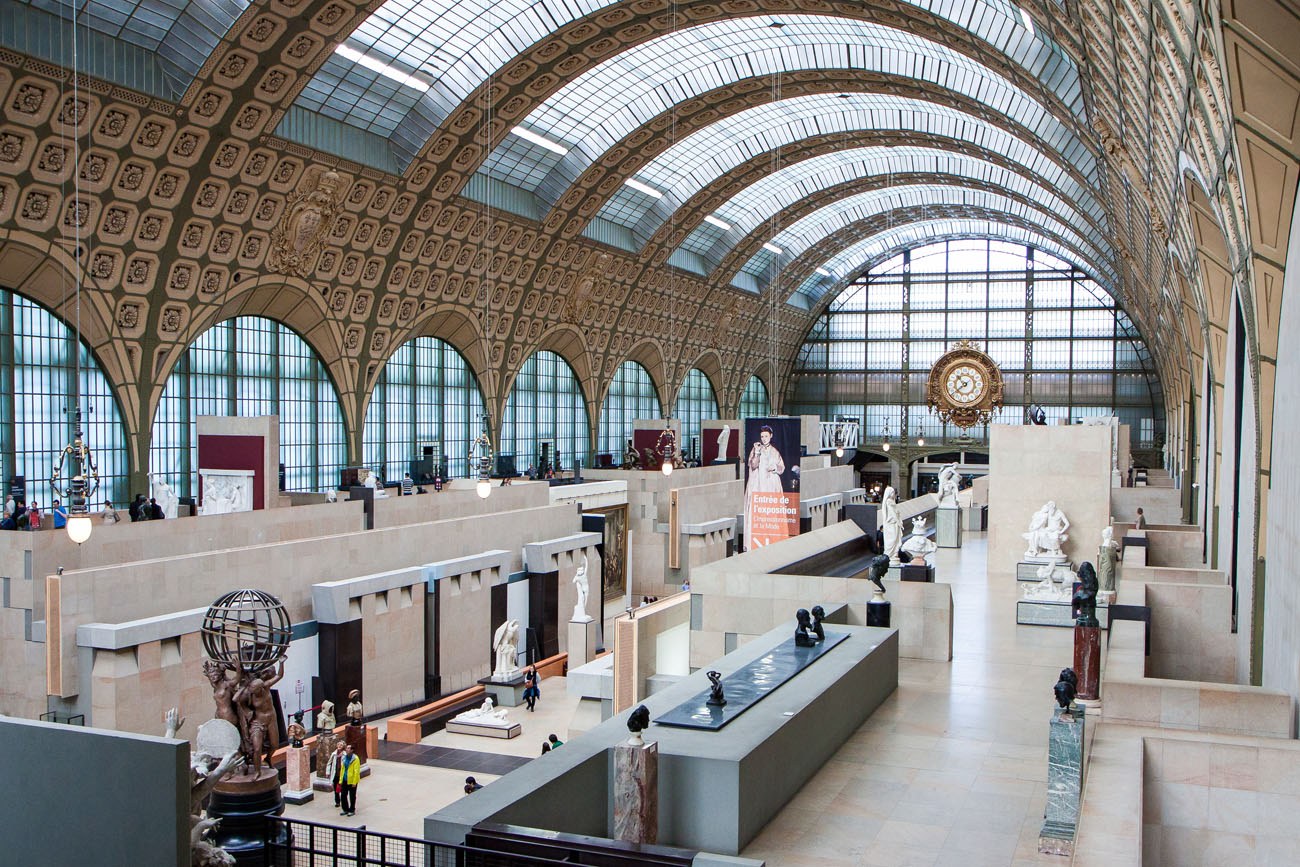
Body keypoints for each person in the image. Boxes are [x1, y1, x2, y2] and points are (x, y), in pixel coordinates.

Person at [743, 424, 786, 551]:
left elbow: (781, 467)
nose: (764, 439)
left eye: (766, 436)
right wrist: (757, 453)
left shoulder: (775, 452)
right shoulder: (756, 449)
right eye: (762, 436)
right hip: (758, 485)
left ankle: (772, 540)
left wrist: (775, 468)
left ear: (771, 436)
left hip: (771, 486)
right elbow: (753, 465)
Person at [338, 743, 360, 816]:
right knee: (343, 795)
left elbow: (356, 771)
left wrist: (354, 782)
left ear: (352, 750)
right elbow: (342, 769)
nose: (346, 749)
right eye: (346, 748)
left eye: (348, 748)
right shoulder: (344, 757)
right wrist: (340, 780)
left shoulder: (355, 759)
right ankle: (345, 809)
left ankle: (352, 809)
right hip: (344, 779)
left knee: (352, 796)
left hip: (351, 780)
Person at [326, 742, 346, 809]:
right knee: (336, 789)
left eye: (341, 745)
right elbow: (329, 763)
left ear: (343, 747)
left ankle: (343, 801)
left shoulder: (345, 755)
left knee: (343, 789)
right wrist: (327, 772)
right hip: (335, 774)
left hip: (342, 774)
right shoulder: (334, 754)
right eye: (338, 745)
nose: (339, 746)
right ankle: (337, 801)